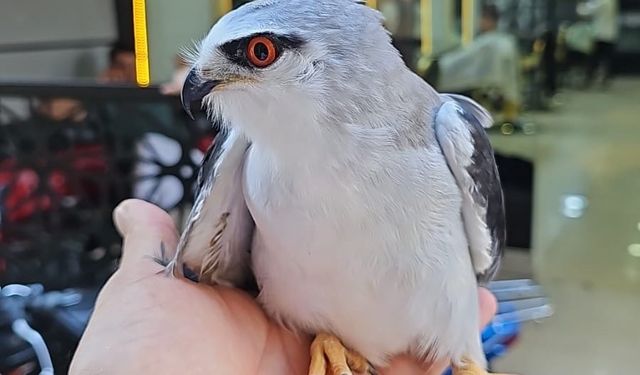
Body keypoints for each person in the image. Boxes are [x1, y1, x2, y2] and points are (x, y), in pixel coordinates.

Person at [70, 199, 498, 374]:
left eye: (260, 53)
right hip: (303, 331)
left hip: (431, 316)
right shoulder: (253, 153)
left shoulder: (441, 125)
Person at [437, 4, 521, 124]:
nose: (479, 22)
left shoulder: (490, 42)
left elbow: (461, 60)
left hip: (467, 78)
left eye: (483, 19)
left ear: (490, 21)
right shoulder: (501, 40)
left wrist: (442, 64)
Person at [577, 0, 619, 87]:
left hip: (600, 34)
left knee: (593, 57)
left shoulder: (601, 2)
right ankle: (604, 78)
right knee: (606, 58)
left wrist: (580, 5)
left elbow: (585, 11)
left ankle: (589, 78)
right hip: (610, 34)